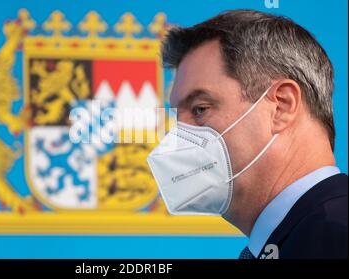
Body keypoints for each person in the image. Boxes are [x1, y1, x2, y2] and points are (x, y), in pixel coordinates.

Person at [147, 9, 347, 259]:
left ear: (281, 106)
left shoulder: (336, 233)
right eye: (177, 118)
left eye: (200, 109)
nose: (177, 138)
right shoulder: (297, 235)